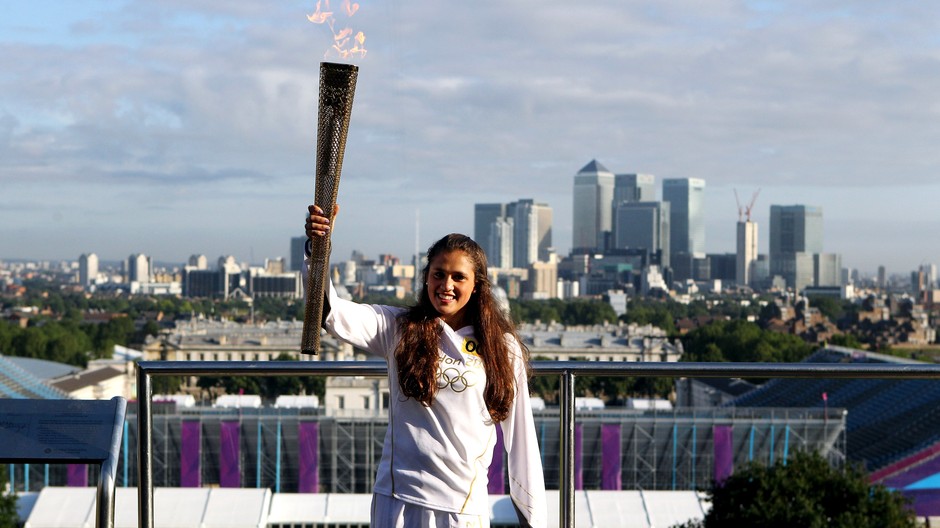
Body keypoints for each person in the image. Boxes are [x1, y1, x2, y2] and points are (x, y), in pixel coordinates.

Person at [305, 204, 547, 528]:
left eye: (458, 277)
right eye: (438, 274)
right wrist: (319, 247)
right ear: (427, 277)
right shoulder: (398, 328)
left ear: (477, 286)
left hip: (461, 507)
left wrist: (535, 520)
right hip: (397, 501)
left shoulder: (502, 349)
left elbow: (521, 442)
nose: (446, 285)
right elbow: (329, 313)